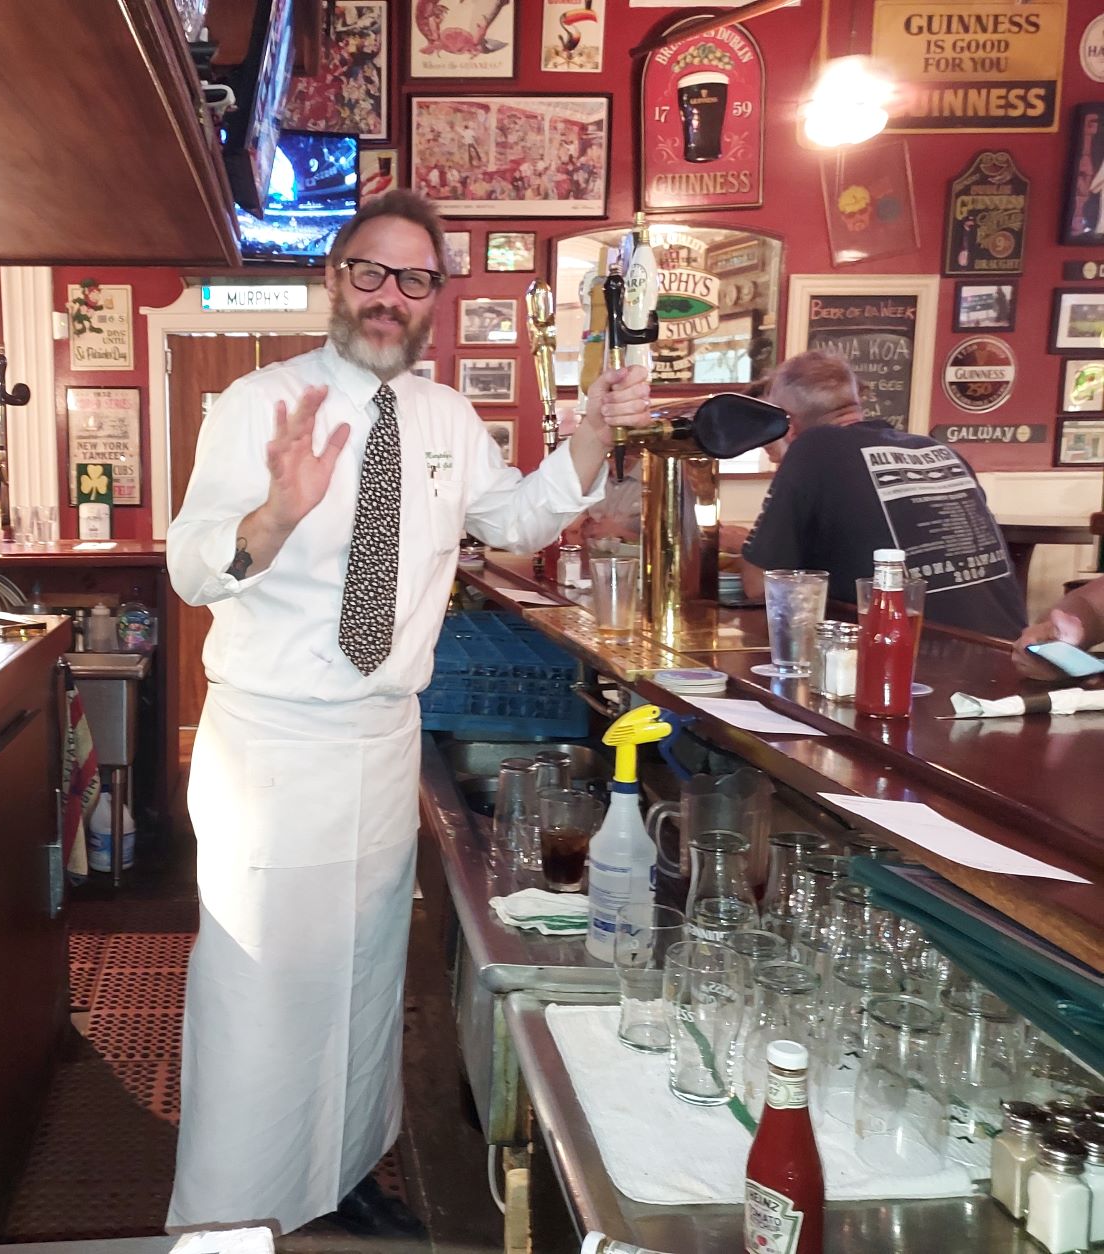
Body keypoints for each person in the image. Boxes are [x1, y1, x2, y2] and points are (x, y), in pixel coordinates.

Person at [164, 189, 650, 1238]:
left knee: (360, 977)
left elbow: (514, 520)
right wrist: (276, 513)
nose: (389, 297)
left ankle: (336, 1177)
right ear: (334, 280)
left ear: (435, 297)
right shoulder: (260, 404)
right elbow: (192, 567)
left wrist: (593, 431)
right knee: (260, 994)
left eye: (413, 279)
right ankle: (230, 1218)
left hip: (383, 741)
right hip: (274, 745)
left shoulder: (445, 418)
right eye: (370, 274)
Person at [737, 351, 1027, 638]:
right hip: (1009, 651)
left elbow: (760, 585)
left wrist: (743, 543)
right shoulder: (938, 450)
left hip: (923, 659)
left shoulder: (814, 447)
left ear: (787, 424)